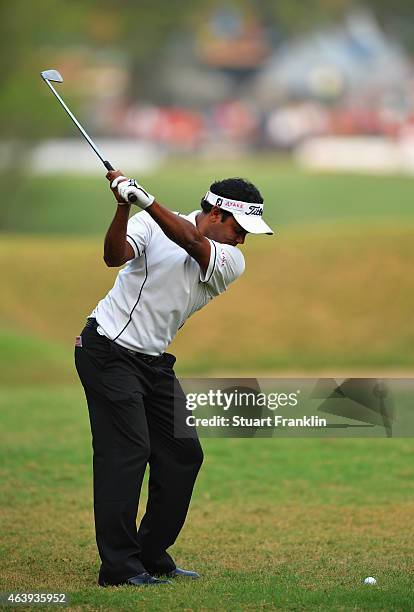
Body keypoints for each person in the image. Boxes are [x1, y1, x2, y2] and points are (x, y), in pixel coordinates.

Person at [74, 170, 273, 587]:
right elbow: (114, 257)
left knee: (184, 453)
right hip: (107, 349)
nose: (242, 240)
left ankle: (150, 553)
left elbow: (191, 241)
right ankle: (120, 568)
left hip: (152, 362)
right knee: (127, 454)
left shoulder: (230, 260)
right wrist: (123, 205)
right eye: (240, 229)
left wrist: (145, 200)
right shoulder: (148, 222)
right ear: (217, 213)